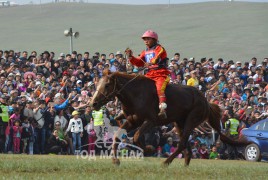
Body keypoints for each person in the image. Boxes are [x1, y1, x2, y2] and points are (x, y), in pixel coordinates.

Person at [125, 30, 170, 119]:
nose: (145, 41)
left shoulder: (159, 48)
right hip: (150, 74)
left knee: (160, 89)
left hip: (160, 74)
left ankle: (162, 109)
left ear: (154, 39)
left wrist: (151, 62)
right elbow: (139, 62)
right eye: (144, 39)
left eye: (147, 39)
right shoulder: (144, 51)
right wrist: (131, 57)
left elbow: (157, 57)